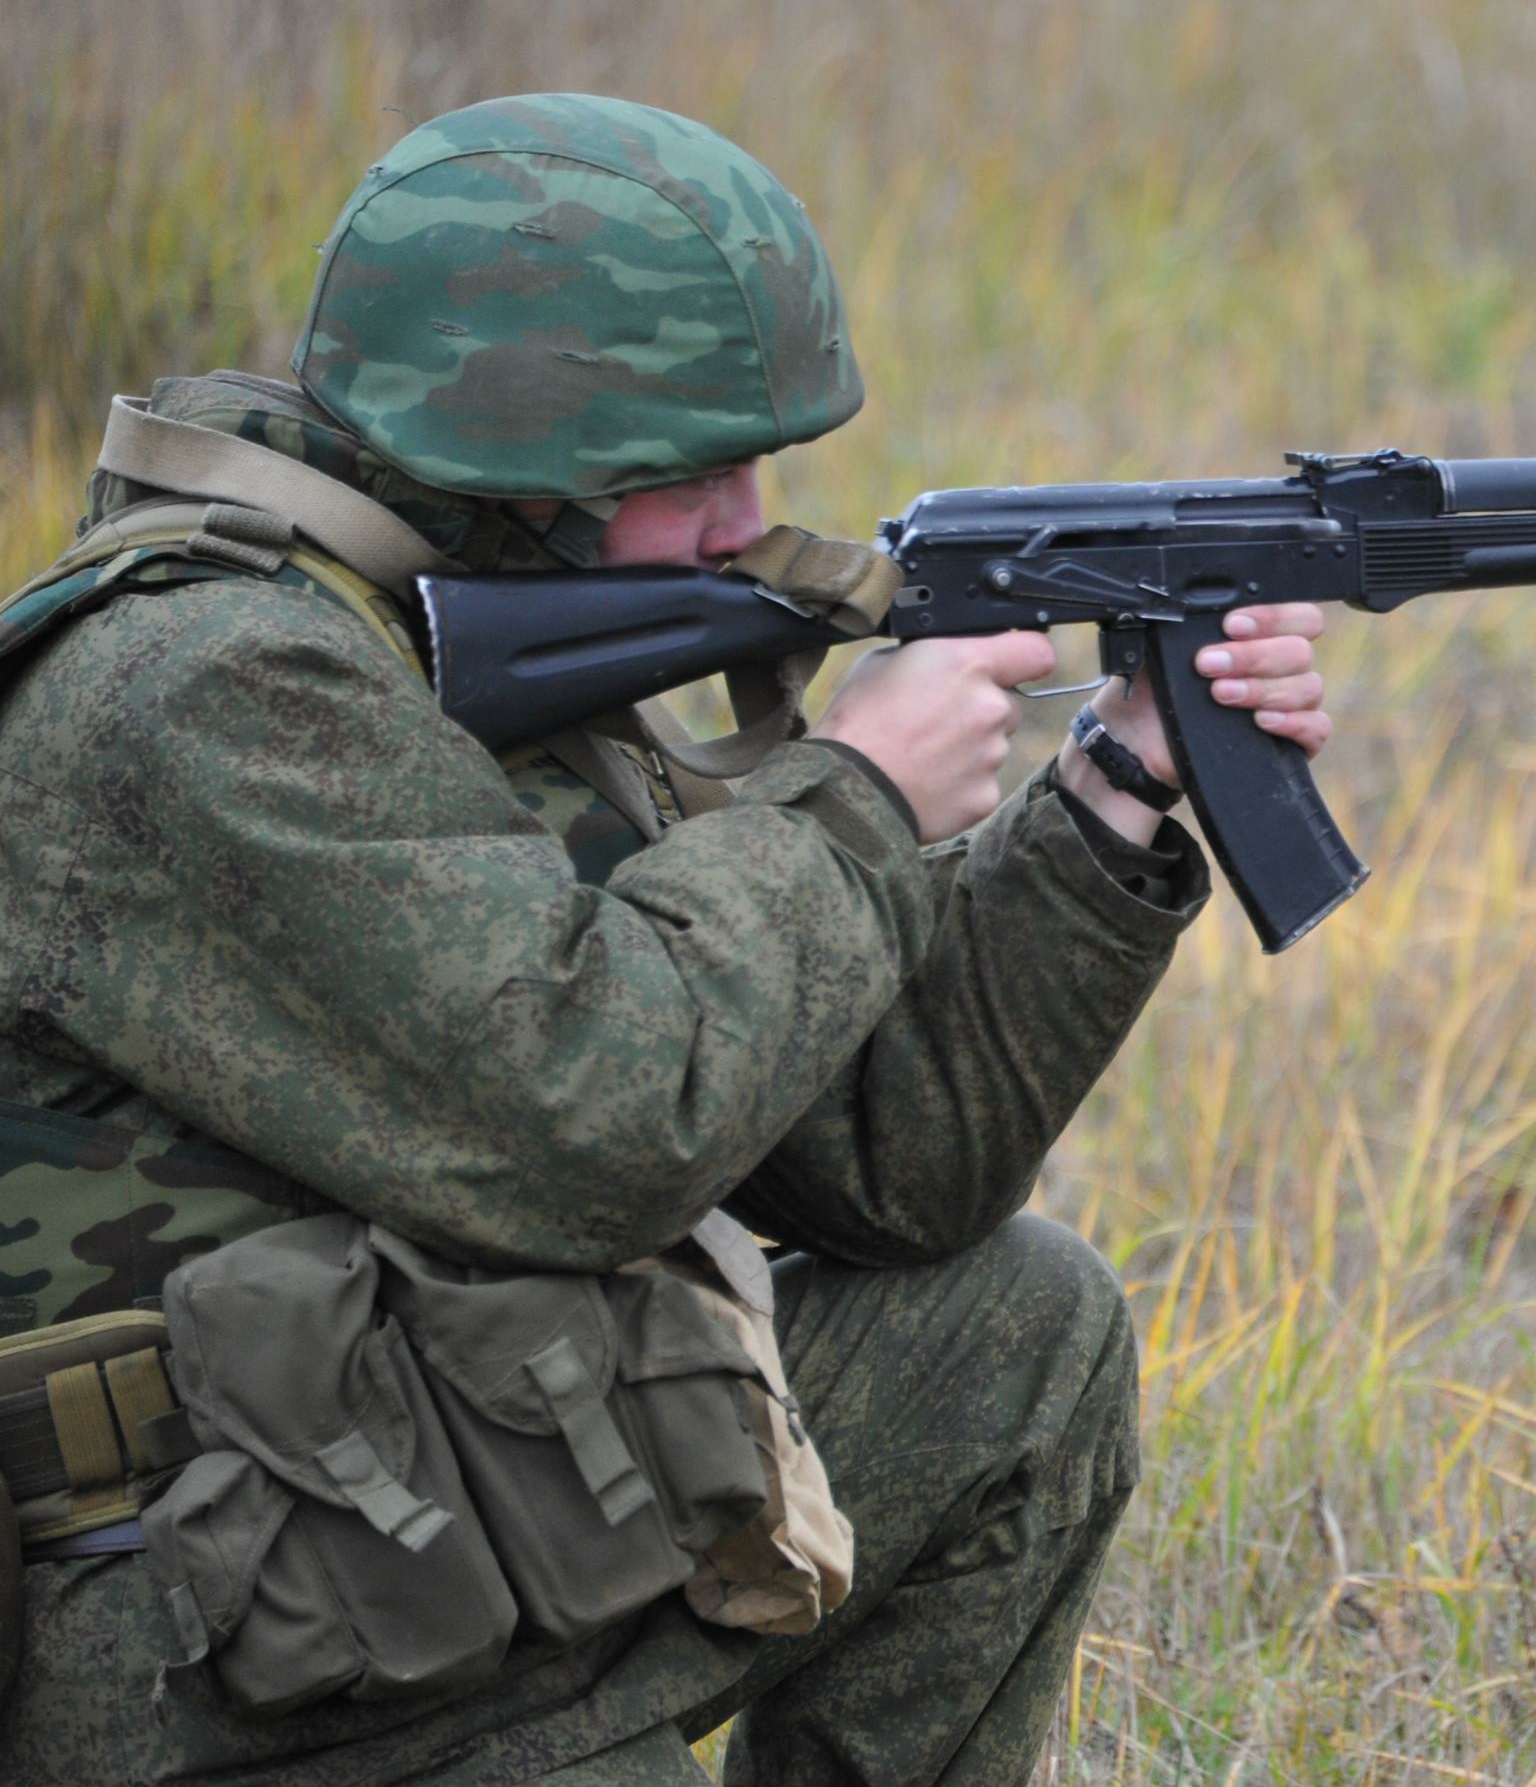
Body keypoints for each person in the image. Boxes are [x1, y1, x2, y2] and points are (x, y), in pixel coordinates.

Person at [0, 93, 1328, 1782]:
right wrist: (852, 793)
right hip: (213, 1650)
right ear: (512, 461)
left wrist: (1115, 786)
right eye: (685, 471)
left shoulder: (454, 643)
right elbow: (603, 1126)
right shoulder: (207, 693)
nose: (742, 518)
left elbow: (889, 1169)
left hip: (451, 1509)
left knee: (1013, 1322)